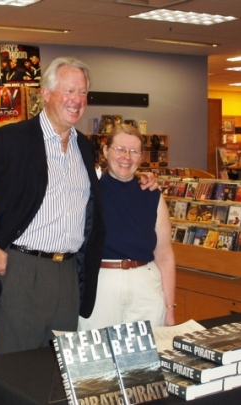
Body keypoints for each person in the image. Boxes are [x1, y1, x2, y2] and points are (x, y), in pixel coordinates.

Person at [0, 57, 156, 355]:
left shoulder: (84, 146)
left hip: (69, 274)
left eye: (83, 93)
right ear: (46, 93)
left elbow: (104, 188)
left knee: (61, 370)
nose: (77, 100)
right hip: (21, 270)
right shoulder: (11, 140)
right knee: (21, 371)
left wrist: (143, 178)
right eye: (69, 91)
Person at [78, 124, 176, 331]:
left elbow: (165, 255)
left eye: (134, 152)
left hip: (146, 286)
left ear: (141, 157)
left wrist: (170, 309)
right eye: (120, 149)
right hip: (101, 284)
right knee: (99, 356)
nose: (127, 157)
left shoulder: (152, 195)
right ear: (105, 151)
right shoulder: (88, 191)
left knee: (145, 358)